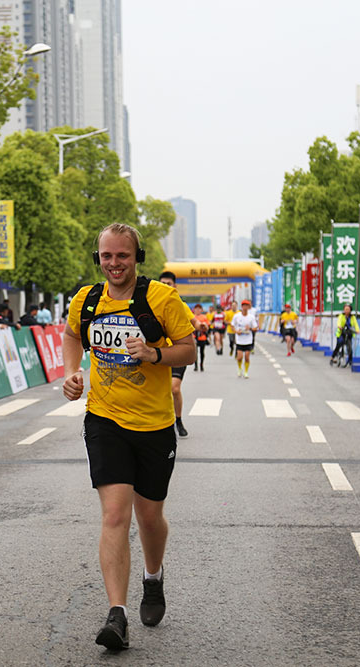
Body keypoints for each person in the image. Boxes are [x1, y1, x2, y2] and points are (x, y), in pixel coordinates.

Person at [62, 223, 195, 651]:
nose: (114, 264)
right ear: (97, 258)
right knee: (115, 514)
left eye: (122, 256)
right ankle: (116, 614)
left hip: (155, 425)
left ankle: (152, 578)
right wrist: (71, 372)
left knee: (149, 517)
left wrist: (155, 354)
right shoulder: (86, 300)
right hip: (104, 420)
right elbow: (70, 336)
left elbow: (189, 348)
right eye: (106, 256)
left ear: (136, 258)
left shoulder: (161, 298)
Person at [158, 271, 199, 438]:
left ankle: (178, 420)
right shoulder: (151, 304)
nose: (165, 287)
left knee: (174, 388)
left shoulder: (179, 304)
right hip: (158, 355)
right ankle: (162, 422)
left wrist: (201, 327)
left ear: (174, 286)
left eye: (168, 284)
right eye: (162, 284)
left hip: (177, 353)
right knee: (160, 390)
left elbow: (194, 322)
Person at [231, 299, 258, 378]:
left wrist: (249, 328)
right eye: (244, 306)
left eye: (247, 306)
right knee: (239, 357)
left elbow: (255, 328)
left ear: (249, 307)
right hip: (239, 340)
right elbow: (232, 326)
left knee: (246, 357)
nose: (245, 307)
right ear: (242, 307)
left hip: (248, 340)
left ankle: (246, 372)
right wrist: (236, 331)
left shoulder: (251, 317)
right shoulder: (237, 316)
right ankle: (240, 369)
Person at [192, 304, 210, 372]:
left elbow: (207, 326)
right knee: (195, 352)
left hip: (202, 336)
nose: (197, 310)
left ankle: (201, 364)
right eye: (196, 309)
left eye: (199, 309)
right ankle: (195, 365)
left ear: (201, 310)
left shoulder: (204, 317)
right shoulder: (192, 317)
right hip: (194, 337)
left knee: (202, 352)